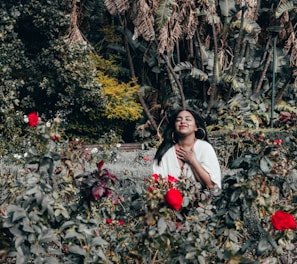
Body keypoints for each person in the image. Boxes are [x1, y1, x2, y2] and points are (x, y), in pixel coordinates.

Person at [153, 108, 221, 189]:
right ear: (174, 126)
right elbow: (156, 185)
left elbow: (212, 186)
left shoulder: (205, 148)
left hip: (204, 200)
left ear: (196, 127)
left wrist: (193, 161)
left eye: (188, 119)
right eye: (179, 120)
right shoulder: (165, 152)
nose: (183, 122)